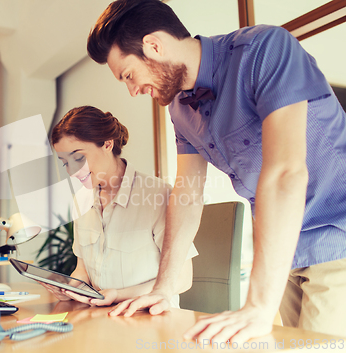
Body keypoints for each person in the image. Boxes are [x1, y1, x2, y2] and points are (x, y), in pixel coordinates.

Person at [86, 0, 346, 343]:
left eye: (129, 75)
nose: (133, 90)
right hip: (286, 251)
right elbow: (187, 192)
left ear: (154, 46)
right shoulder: (180, 108)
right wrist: (163, 288)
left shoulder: (265, 50)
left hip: (337, 232)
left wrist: (257, 305)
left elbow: (285, 172)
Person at [45, 105, 197, 308]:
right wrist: (71, 289)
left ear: (107, 144)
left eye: (79, 158)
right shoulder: (81, 200)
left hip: (148, 318)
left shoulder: (158, 195)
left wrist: (118, 295)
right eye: (65, 162)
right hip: (100, 317)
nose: (72, 171)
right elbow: (82, 270)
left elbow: (183, 278)